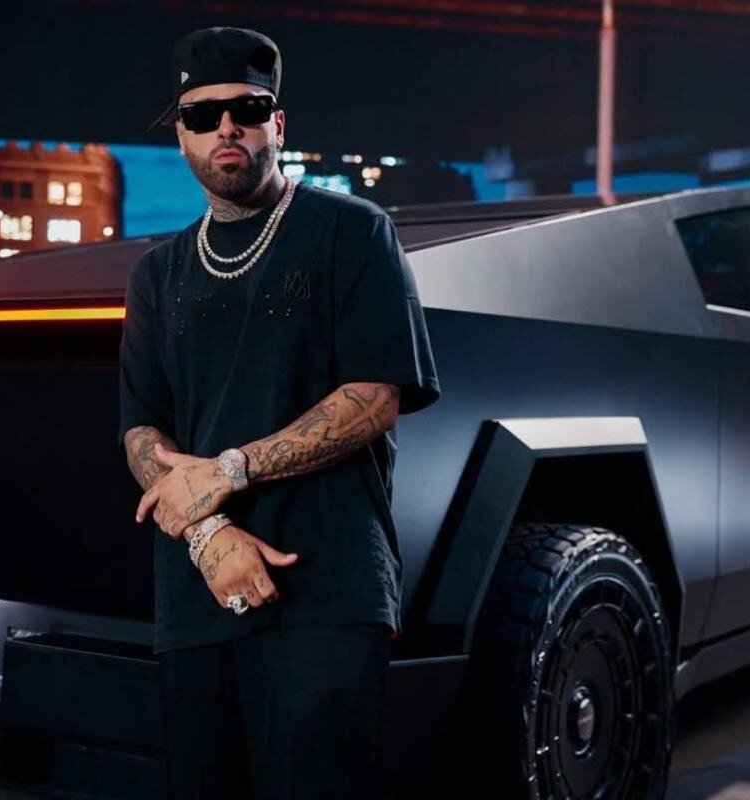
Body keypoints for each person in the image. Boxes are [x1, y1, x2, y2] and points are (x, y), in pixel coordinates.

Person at [117, 26, 440, 800]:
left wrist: (230, 470)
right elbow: (142, 433)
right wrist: (208, 536)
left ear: (278, 124)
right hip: (199, 590)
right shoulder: (156, 274)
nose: (226, 127)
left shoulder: (352, 232)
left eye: (248, 109)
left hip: (326, 586)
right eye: (202, 115)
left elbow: (374, 398)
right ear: (182, 137)